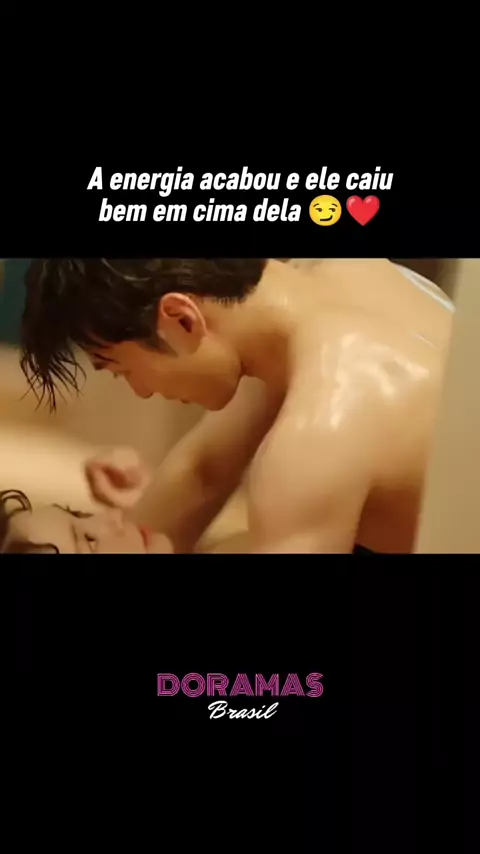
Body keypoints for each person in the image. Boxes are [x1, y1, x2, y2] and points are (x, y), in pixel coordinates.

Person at [19, 258, 455, 554]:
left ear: (182, 319)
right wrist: (123, 538)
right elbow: (205, 470)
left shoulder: (316, 438)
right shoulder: (345, 275)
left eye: (122, 369)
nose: (142, 391)